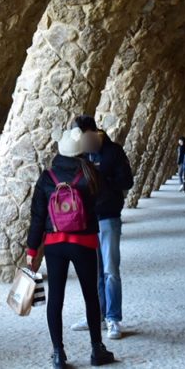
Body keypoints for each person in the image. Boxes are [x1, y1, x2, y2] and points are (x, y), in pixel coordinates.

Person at [27, 116, 115, 368]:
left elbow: (37, 216)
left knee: (56, 298)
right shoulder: (91, 174)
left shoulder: (48, 177)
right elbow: (105, 201)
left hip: (54, 245)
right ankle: (97, 350)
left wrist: (32, 249)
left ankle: (58, 354)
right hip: (85, 243)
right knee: (90, 296)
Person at [72, 124, 134, 340]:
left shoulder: (113, 152)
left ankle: (114, 318)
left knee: (110, 270)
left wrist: (102, 180)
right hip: (87, 220)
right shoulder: (81, 154)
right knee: (94, 272)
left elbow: (128, 181)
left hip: (108, 218)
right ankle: (96, 315)